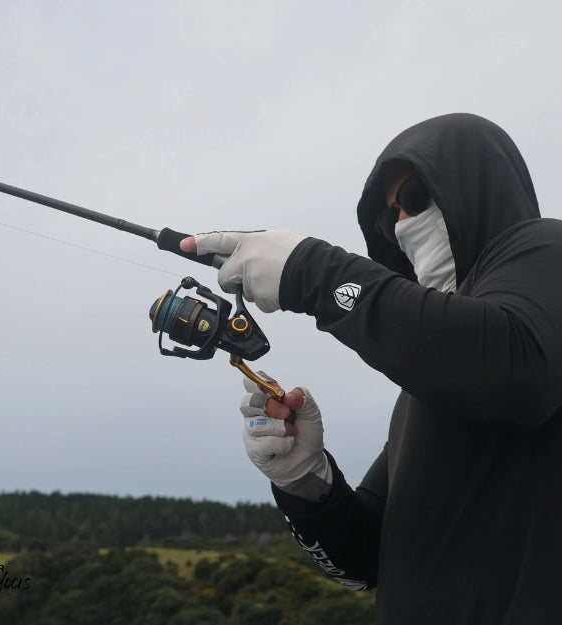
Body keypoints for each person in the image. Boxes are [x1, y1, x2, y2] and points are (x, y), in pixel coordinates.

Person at [179, 113, 562, 624]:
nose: (402, 223)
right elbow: (365, 562)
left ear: (479, 184)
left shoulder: (547, 249)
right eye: (388, 218)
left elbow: (516, 372)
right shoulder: (427, 390)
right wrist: (307, 482)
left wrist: (312, 272)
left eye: (418, 197)